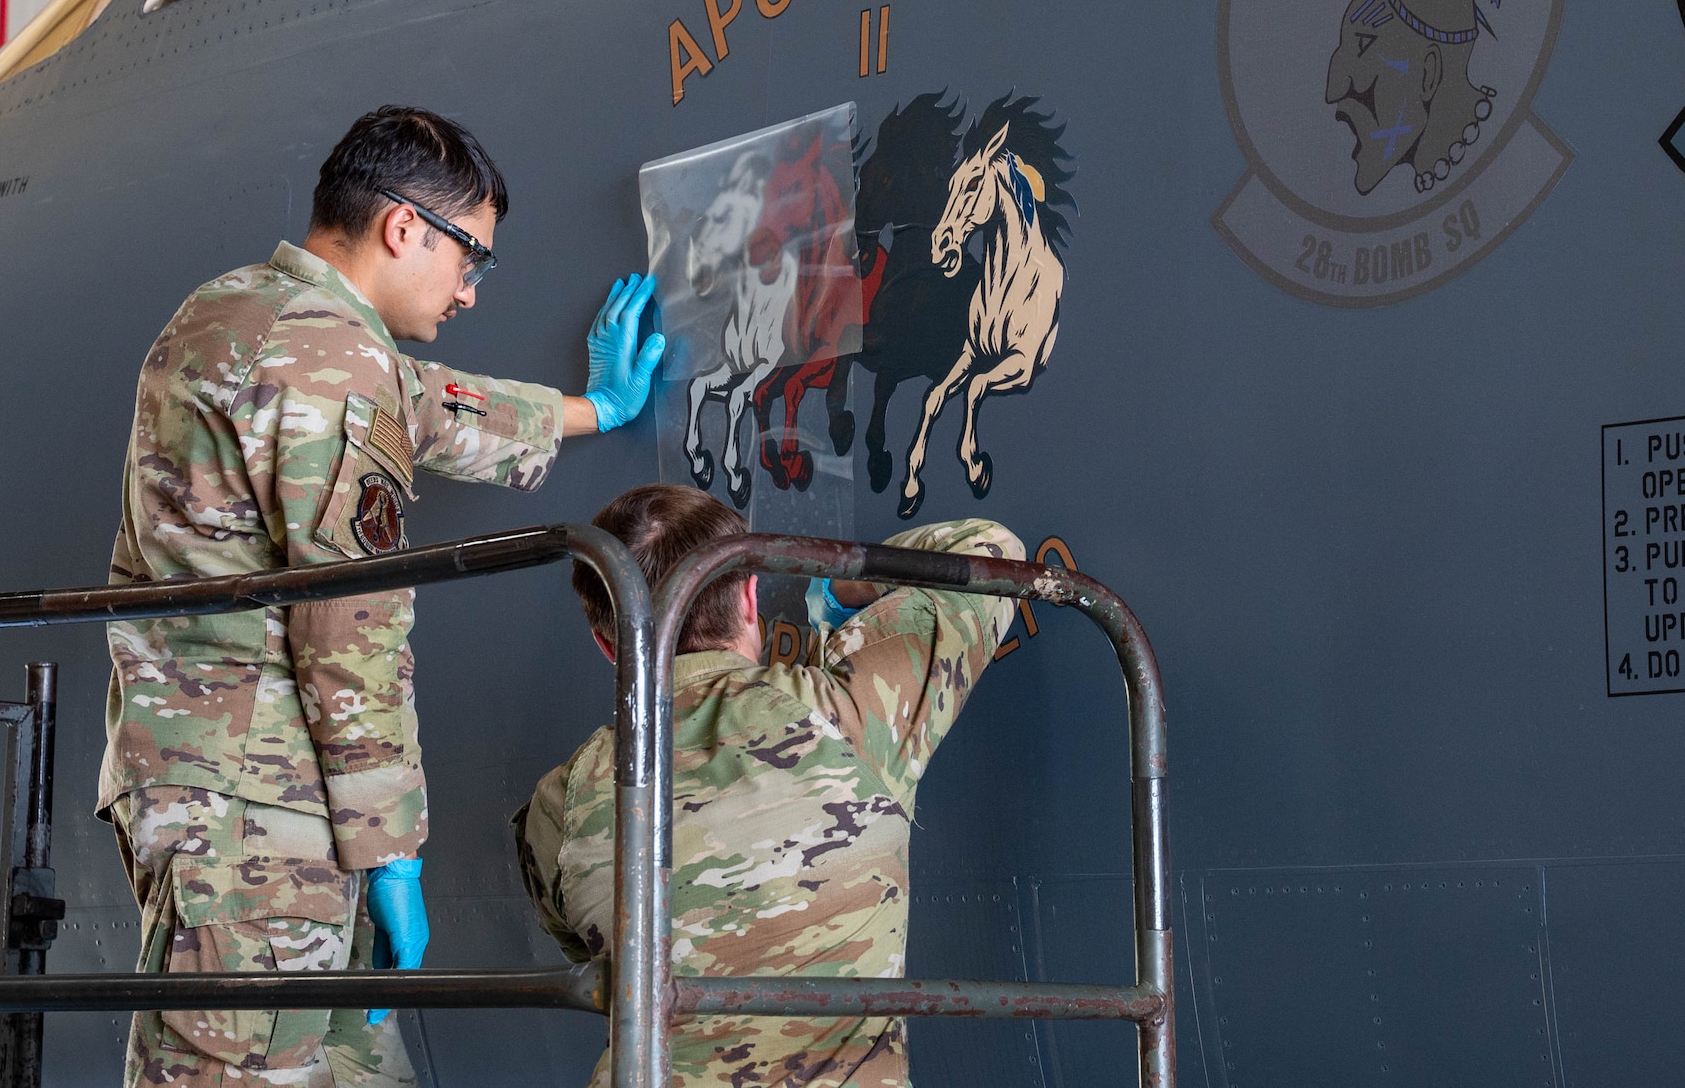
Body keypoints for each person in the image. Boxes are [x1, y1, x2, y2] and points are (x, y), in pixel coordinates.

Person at [98, 105, 665, 1087]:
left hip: (221, 793)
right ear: (405, 227)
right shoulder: (331, 356)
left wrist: (592, 409)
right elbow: (349, 624)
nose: (470, 290)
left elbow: (419, 404)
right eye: (471, 257)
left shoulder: (236, 311)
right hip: (262, 817)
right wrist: (393, 844)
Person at [517, 483, 1022, 1086]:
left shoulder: (561, 801)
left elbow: (591, 955)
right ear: (750, 597)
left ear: (608, 646)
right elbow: (992, 550)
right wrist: (839, 586)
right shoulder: (844, 717)